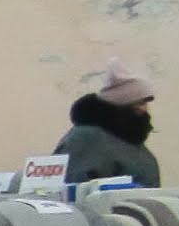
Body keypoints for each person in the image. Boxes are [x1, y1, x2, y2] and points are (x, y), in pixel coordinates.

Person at [55, 60, 162, 190]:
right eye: (140, 103)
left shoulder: (130, 141)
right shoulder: (87, 139)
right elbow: (75, 189)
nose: (145, 110)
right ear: (123, 104)